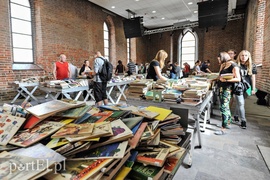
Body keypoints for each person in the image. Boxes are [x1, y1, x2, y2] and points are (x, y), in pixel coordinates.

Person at [215, 52, 241, 135]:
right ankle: (228, 123)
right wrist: (212, 80)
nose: (218, 60)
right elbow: (220, 76)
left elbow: (238, 78)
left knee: (223, 108)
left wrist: (226, 80)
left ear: (223, 57)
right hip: (222, 88)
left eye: (219, 59)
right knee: (225, 107)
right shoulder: (223, 65)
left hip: (227, 89)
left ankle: (224, 128)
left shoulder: (233, 65)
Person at [233, 50, 257, 129]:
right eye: (242, 55)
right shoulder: (235, 65)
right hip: (238, 86)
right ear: (239, 56)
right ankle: (243, 120)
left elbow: (253, 77)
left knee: (240, 103)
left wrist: (253, 88)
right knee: (241, 103)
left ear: (248, 56)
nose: (244, 57)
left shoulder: (252, 65)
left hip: (248, 87)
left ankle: (236, 115)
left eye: (246, 55)